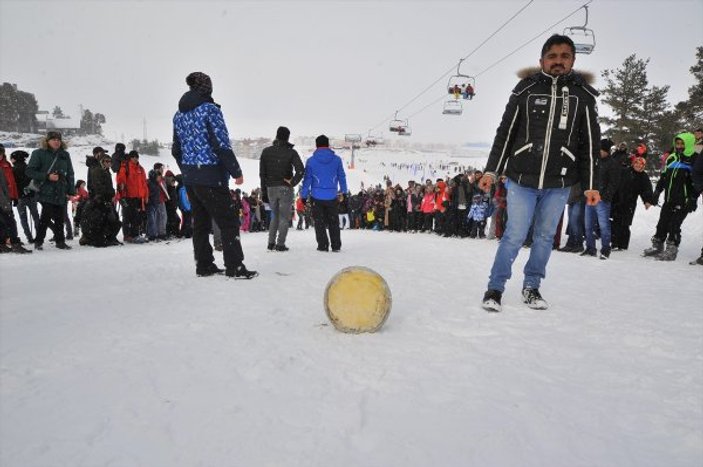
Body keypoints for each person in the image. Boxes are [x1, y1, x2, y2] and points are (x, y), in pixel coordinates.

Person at [478, 34, 601, 312]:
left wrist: (591, 185)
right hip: (522, 178)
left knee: (545, 237)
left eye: (564, 56)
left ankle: (532, 287)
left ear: (573, 60)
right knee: (514, 235)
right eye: (553, 56)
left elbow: (590, 144)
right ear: (542, 60)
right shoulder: (526, 90)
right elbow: (505, 134)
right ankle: (495, 288)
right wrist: (492, 170)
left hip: (559, 182)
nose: (558, 61)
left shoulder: (583, 97)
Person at [172, 71, 257, 279]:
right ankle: (235, 266)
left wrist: (187, 170)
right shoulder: (210, 110)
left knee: (200, 222)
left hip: (191, 177)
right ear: (206, 88)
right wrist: (235, 171)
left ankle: (204, 264)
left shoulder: (179, 115)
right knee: (228, 221)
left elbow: (176, 149)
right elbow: (221, 144)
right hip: (211, 176)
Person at [643, 132, 698, 261]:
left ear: (689, 144)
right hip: (669, 198)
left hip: (684, 200)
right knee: (662, 223)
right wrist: (657, 192)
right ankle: (658, 246)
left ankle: (672, 249)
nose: (679, 146)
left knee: (674, 224)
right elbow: (664, 177)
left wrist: (693, 198)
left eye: (682, 144)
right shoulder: (672, 157)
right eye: (677, 143)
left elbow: (698, 182)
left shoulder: (695, 159)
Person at [25, 131, 76, 250]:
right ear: (47, 141)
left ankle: (60, 241)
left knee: (60, 217)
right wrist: (47, 176)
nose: (56, 142)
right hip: (45, 190)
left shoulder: (65, 155)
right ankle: (39, 241)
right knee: (46, 216)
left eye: (58, 140)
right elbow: (29, 171)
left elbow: (70, 174)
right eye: (53, 139)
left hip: (61, 190)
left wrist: (71, 191)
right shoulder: (38, 153)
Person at [259, 126, 304, 252]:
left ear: (276, 135)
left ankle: (270, 243)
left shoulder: (266, 151)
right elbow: (300, 170)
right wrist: (293, 182)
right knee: (284, 217)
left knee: (275, 216)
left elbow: (262, 174)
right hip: (285, 188)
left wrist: (263, 191)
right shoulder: (291, 152)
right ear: (287, 137)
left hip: (270, 188)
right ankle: (280, 244)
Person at [299, 134, 348, 252]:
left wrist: (304, 196)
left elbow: (307, 180)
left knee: (319, 222)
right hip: (332, 195)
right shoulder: (337, 160)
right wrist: (344, 192)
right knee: (333, 221)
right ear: (328, 145)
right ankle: (336, 245)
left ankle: (323, 245)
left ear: (316, 145)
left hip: (317, 196)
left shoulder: (311, 161)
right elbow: (342, 176)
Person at [581, 138, 620, 259]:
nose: (599, 152)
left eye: (602, 150)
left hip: (602, 199)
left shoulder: (613, 164)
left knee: (603, 225)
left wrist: (605, 196)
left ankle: (605, 249)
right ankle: (590, 248)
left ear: (607, 151)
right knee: (588, 224)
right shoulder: (595, 162)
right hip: (591, 196)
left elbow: (614, 183)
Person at [610, 156, 654, 251]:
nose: (638, 166)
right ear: (633, 164)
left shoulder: (643, 176)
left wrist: (647, 200)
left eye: (640, 164)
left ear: (643, 166)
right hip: (618, 200)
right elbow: (615, 182)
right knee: (616, 221)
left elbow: (646, 190)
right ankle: (614, 243)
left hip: (630, 203)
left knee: (625, 224)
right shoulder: (625, 171)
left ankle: (623, 245)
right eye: (636, 163)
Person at [116, 150, 149, 243]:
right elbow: (121, 180)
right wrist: (121, 194)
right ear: (130, 158)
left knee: (136, 217)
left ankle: (135, 234)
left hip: (138, 197)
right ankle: (127, 235)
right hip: (127, 196)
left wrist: (146, 195)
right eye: (133, 157)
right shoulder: (125, 167)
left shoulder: (140, 169)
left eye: (137, 157)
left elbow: (144, 184)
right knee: (127, 216)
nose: (135, 158)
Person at [10, 150, 40, 243]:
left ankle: (29, 238)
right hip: (31, 195)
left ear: (15, 159)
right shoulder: (28, 168)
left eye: (11, 158)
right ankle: (39, 236)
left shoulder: (13, 170)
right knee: (35, 217)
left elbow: (12, 184)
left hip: (20, 197)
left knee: (23, 219)